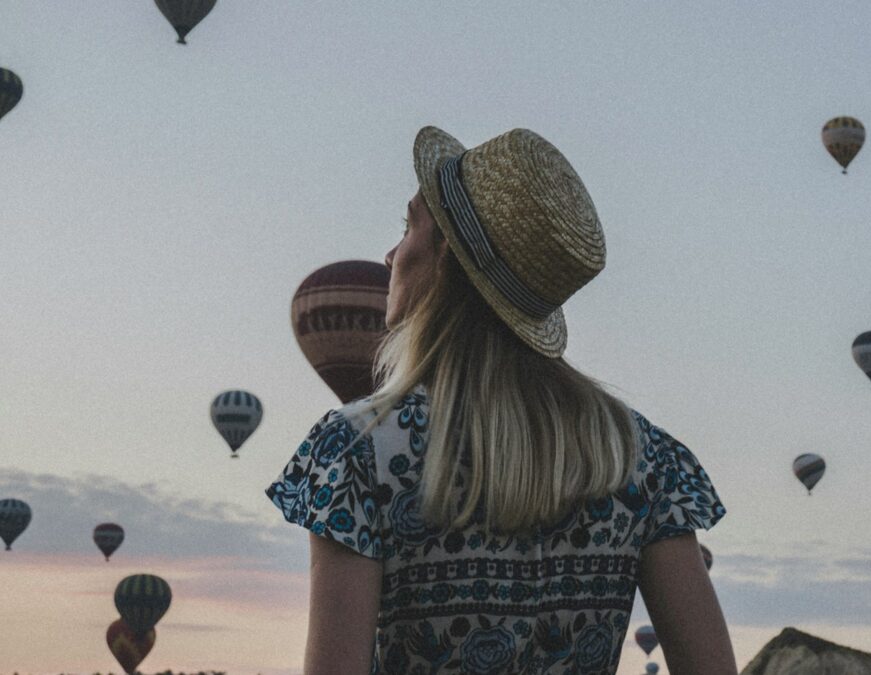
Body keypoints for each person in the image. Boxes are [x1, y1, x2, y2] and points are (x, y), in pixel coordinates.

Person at [267, 127, 735, 675]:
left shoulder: (357, 453)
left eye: (408, 226)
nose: (391, 255)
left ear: (445, 255)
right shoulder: (643, 458)